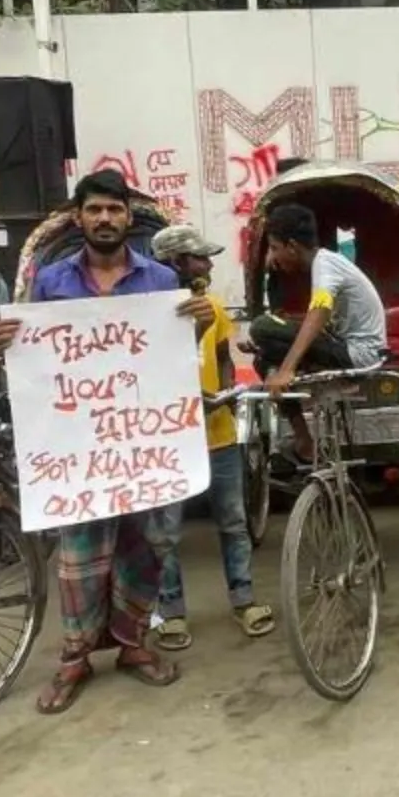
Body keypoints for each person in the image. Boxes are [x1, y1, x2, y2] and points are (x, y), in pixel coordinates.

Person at [0, 170, 214, 714]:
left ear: (128, 217)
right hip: (80, 450)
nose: (104, 219)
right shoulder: (52, 282)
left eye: (114, 209)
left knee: (149, 547)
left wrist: (197, 324)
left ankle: (132, 644)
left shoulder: (158, 280)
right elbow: (37, 361)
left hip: (146, 446)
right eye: (94, 210)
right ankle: (75, 657)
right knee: (80, 558)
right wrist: (3, 342)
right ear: (78, 218)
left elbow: (174, 356)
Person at [149, 224, 273, 648]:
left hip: (218, 433)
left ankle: (244, 600)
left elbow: (221, 359)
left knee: (234, 522)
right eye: (200, 257)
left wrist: (221, 396)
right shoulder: (147, 315)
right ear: (175, 264)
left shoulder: (214, 308)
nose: (209, 264)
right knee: (164, 534)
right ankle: (171, 612)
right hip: (167, 439)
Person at [250, 202, 387, 465]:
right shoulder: (324, 264)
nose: (274, 258)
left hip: (359, 354)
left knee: (261, 327)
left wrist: (288, 368)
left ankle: (301, 436)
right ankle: (303, 438)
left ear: (292, 246)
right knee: (262, 357)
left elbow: (319, 311)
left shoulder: (326, 265)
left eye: (276, 249)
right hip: (342, 345)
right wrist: (270, 349)